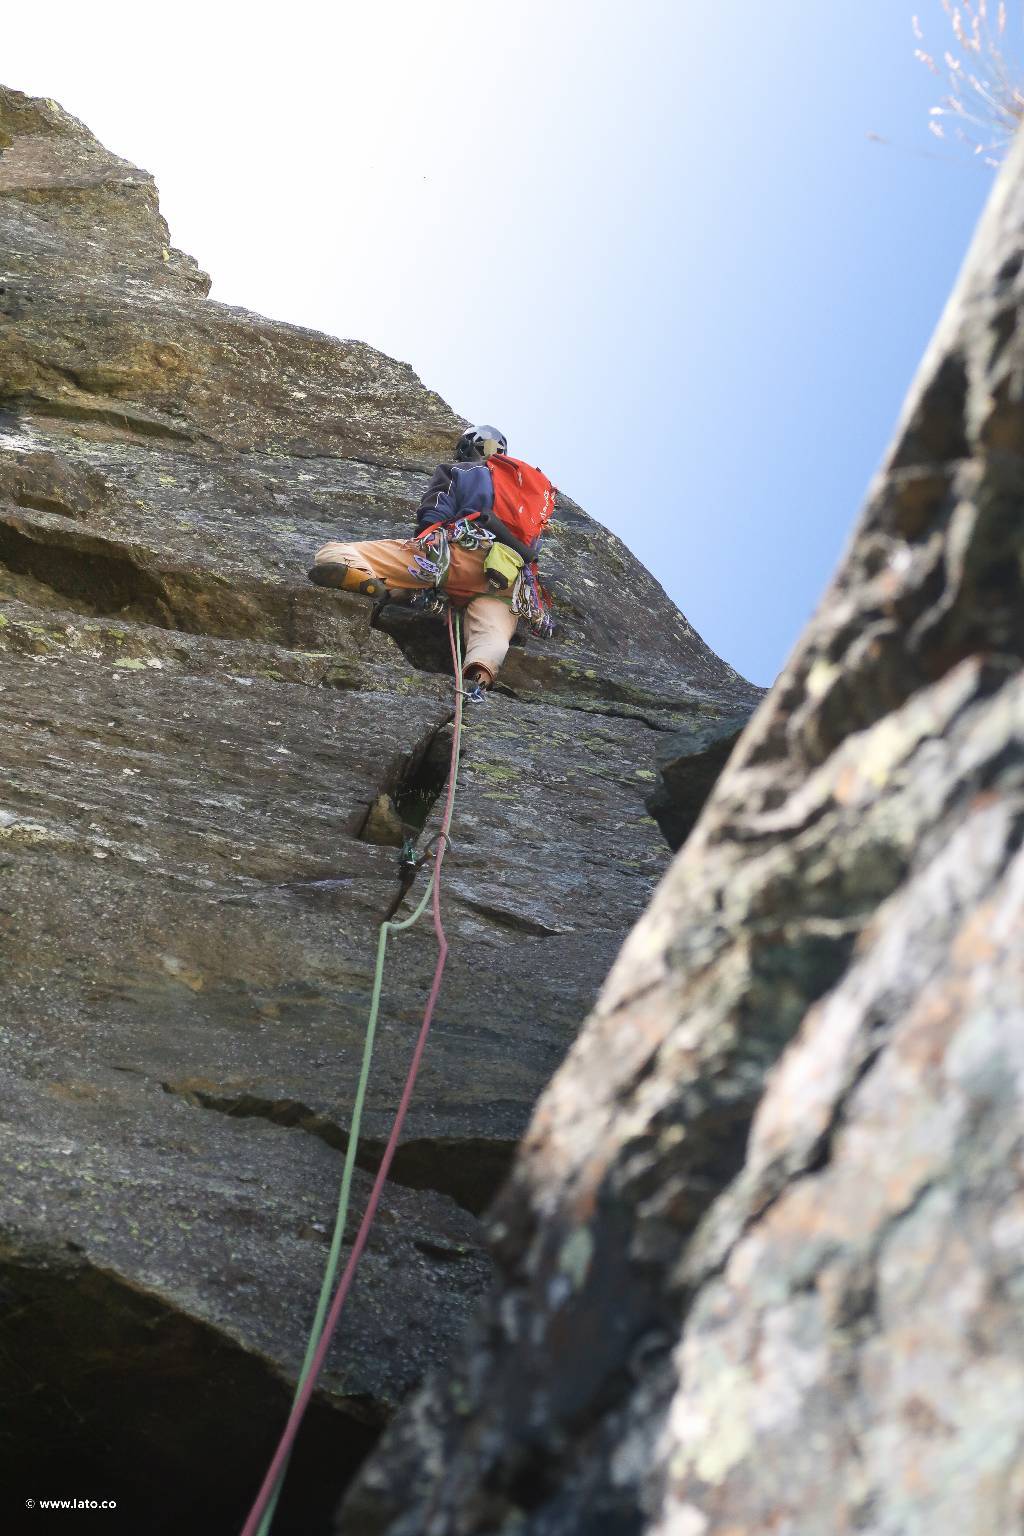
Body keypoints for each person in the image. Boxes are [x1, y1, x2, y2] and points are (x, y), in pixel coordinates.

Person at [309, 426, 555, 691]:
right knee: (492, 635)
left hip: (456, 555)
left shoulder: (461, 471)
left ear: (466, 448)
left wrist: (427, 537)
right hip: (506, 578)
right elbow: (531, 546)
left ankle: (368, 577)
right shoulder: (528, 495)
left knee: (334, 552)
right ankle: (479, 674)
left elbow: (436, 508)